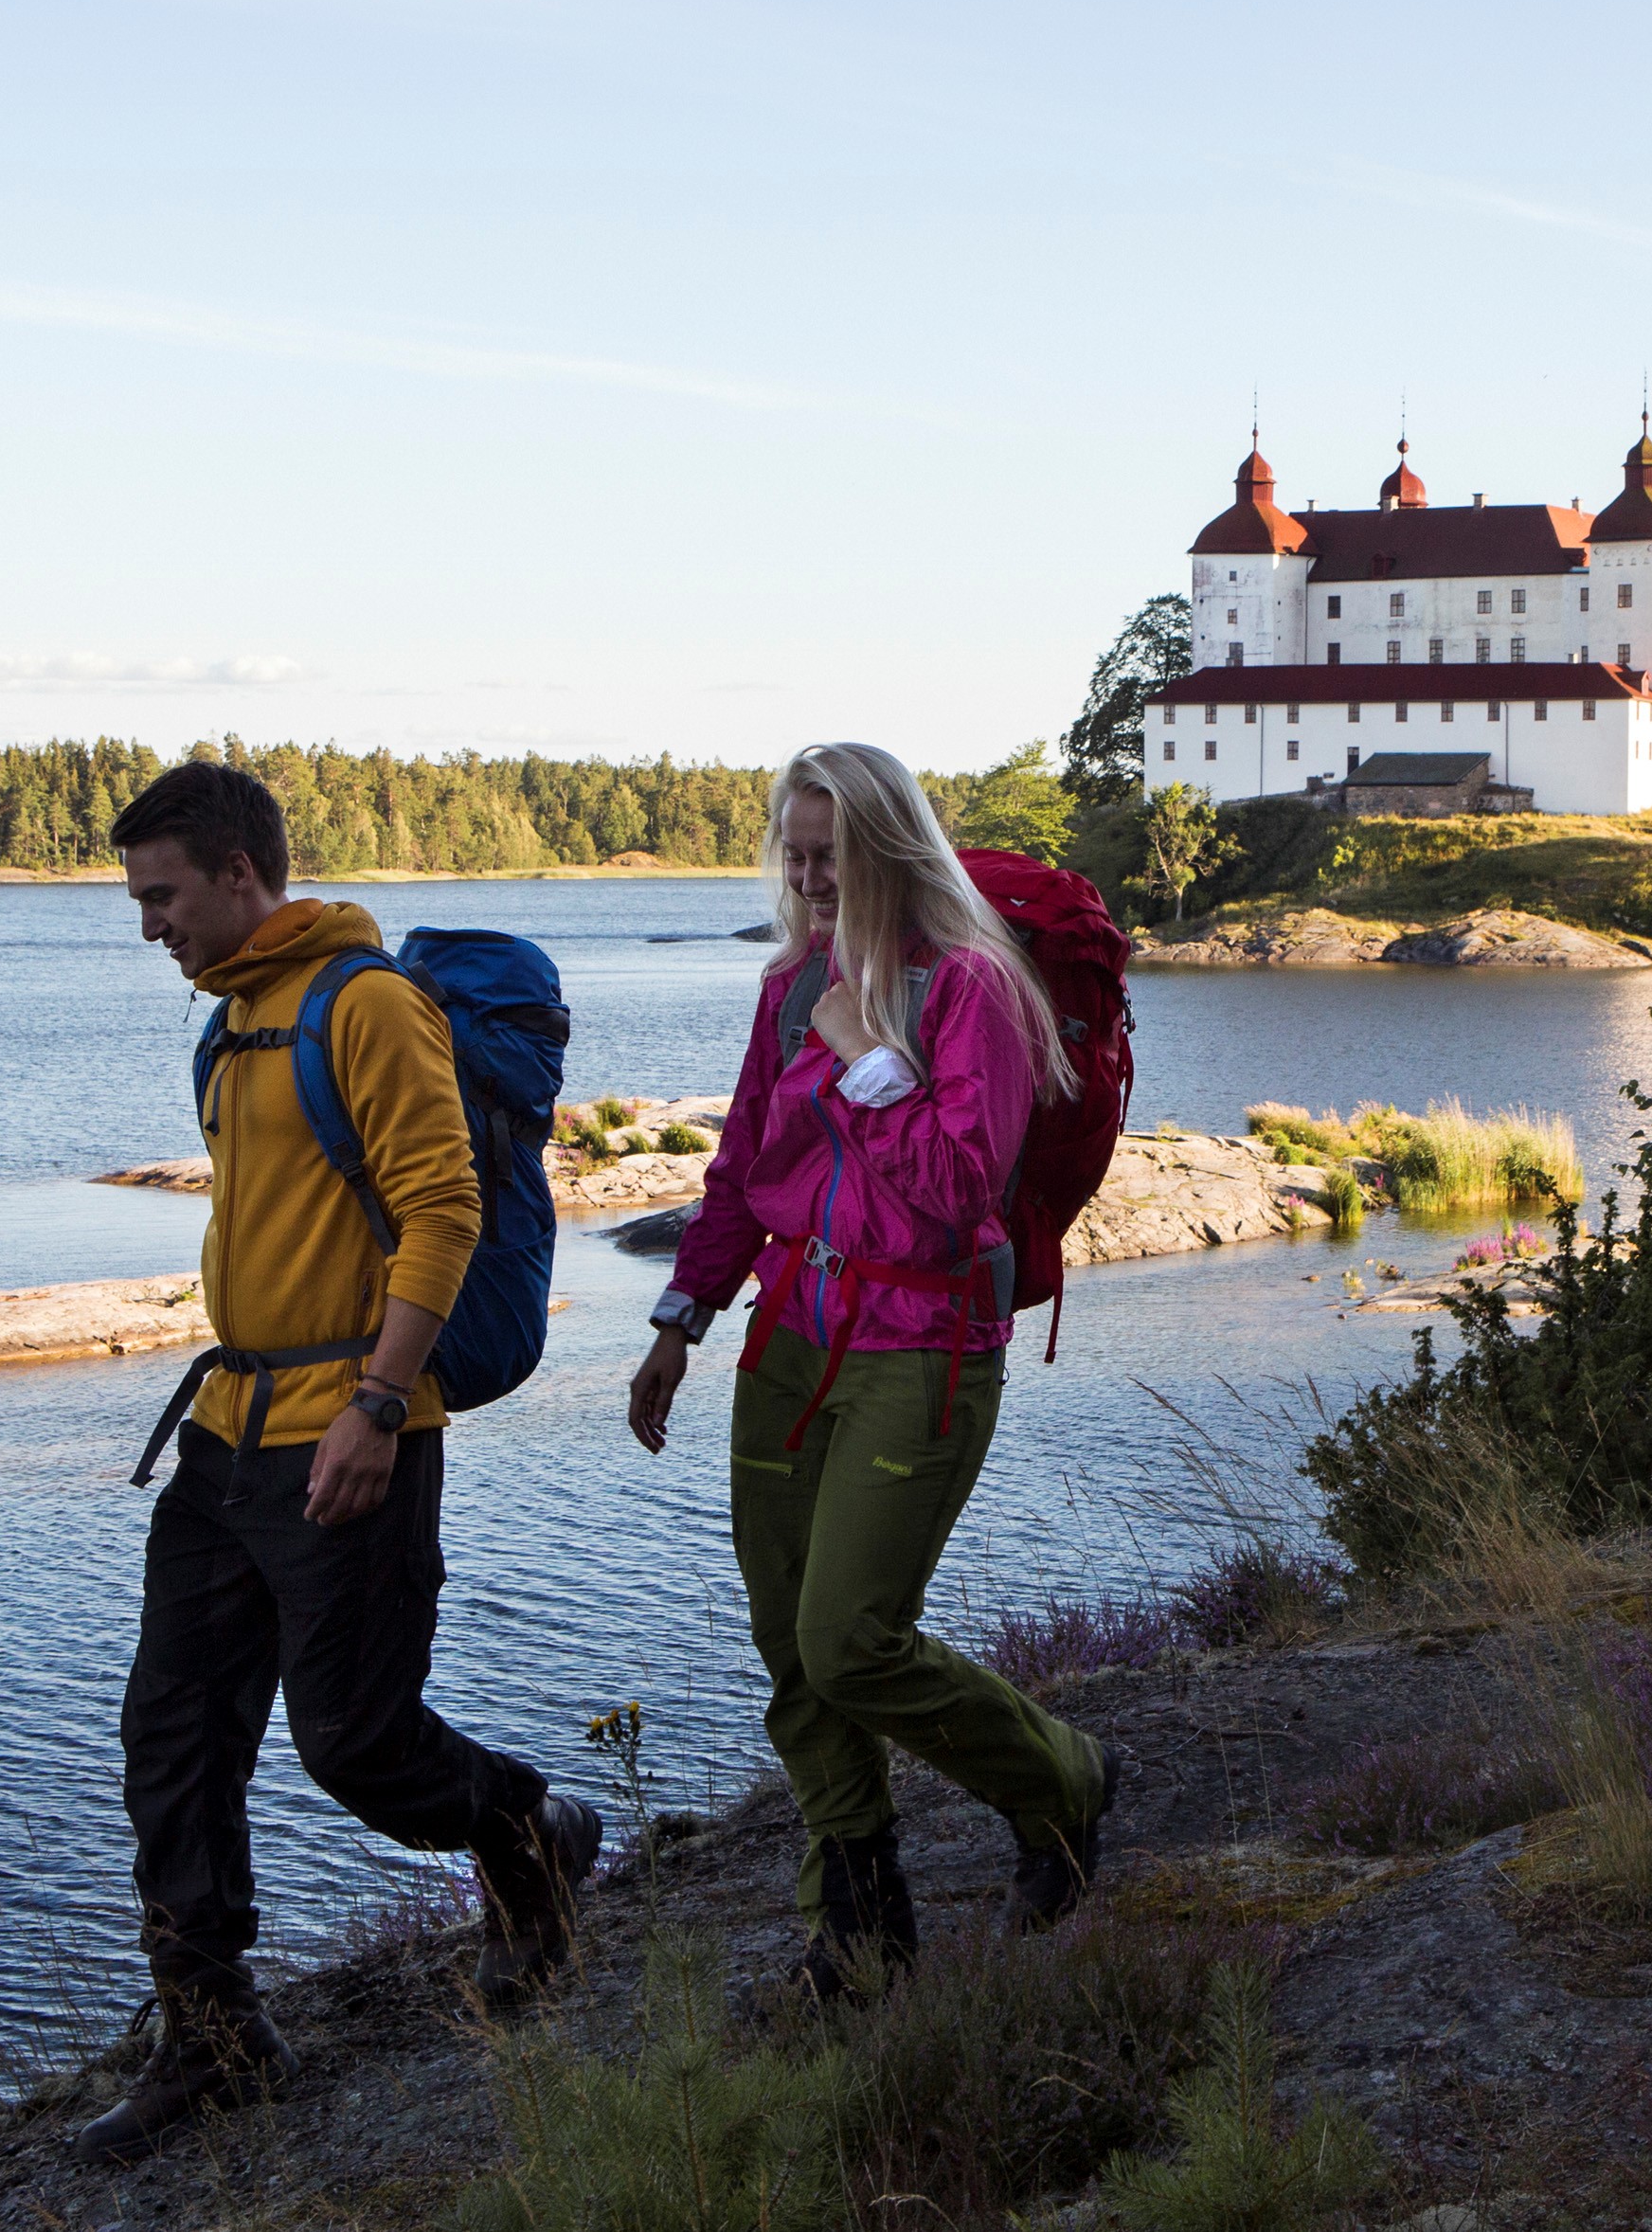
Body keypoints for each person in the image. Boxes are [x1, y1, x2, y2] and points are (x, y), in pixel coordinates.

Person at [79, 760, 600, 2165]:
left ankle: (531, 1826)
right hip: (225, 1434)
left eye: (163, 895)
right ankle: (214, 2031)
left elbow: (442, 1206)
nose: (149, 926)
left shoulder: (360, 1005)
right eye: (139, 899)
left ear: (241, 875)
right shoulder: (233, 1019)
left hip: (352, 1430)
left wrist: (379, 1401)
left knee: (356, 1741)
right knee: (171, 1736)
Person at [625, 742, 1118, 1997]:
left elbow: (955, 1192)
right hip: (788, 1334)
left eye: (825, 854)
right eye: (790, 853)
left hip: (923, 1342)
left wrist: (862, 1050)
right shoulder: (789, 984)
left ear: (887, 852)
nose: (803, 876)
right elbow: (741, 1167)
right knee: (789, 1647)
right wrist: (681, 1318)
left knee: (848, 1639)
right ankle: (854, 1915)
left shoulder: (974, 990)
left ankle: (1061, 1780)